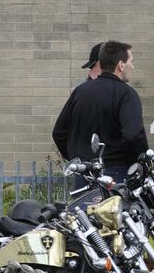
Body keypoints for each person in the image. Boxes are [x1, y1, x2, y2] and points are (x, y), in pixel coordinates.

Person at [52, 40, 148, 182]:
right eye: (131, 62)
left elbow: (59, 133)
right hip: (116, 175)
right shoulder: (126, 94)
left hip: (84, 175)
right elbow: (133, 136)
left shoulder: (80, 92)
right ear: (121, 65)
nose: (132, 67)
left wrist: (78, 161)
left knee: (83, 205)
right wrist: (140, 164)